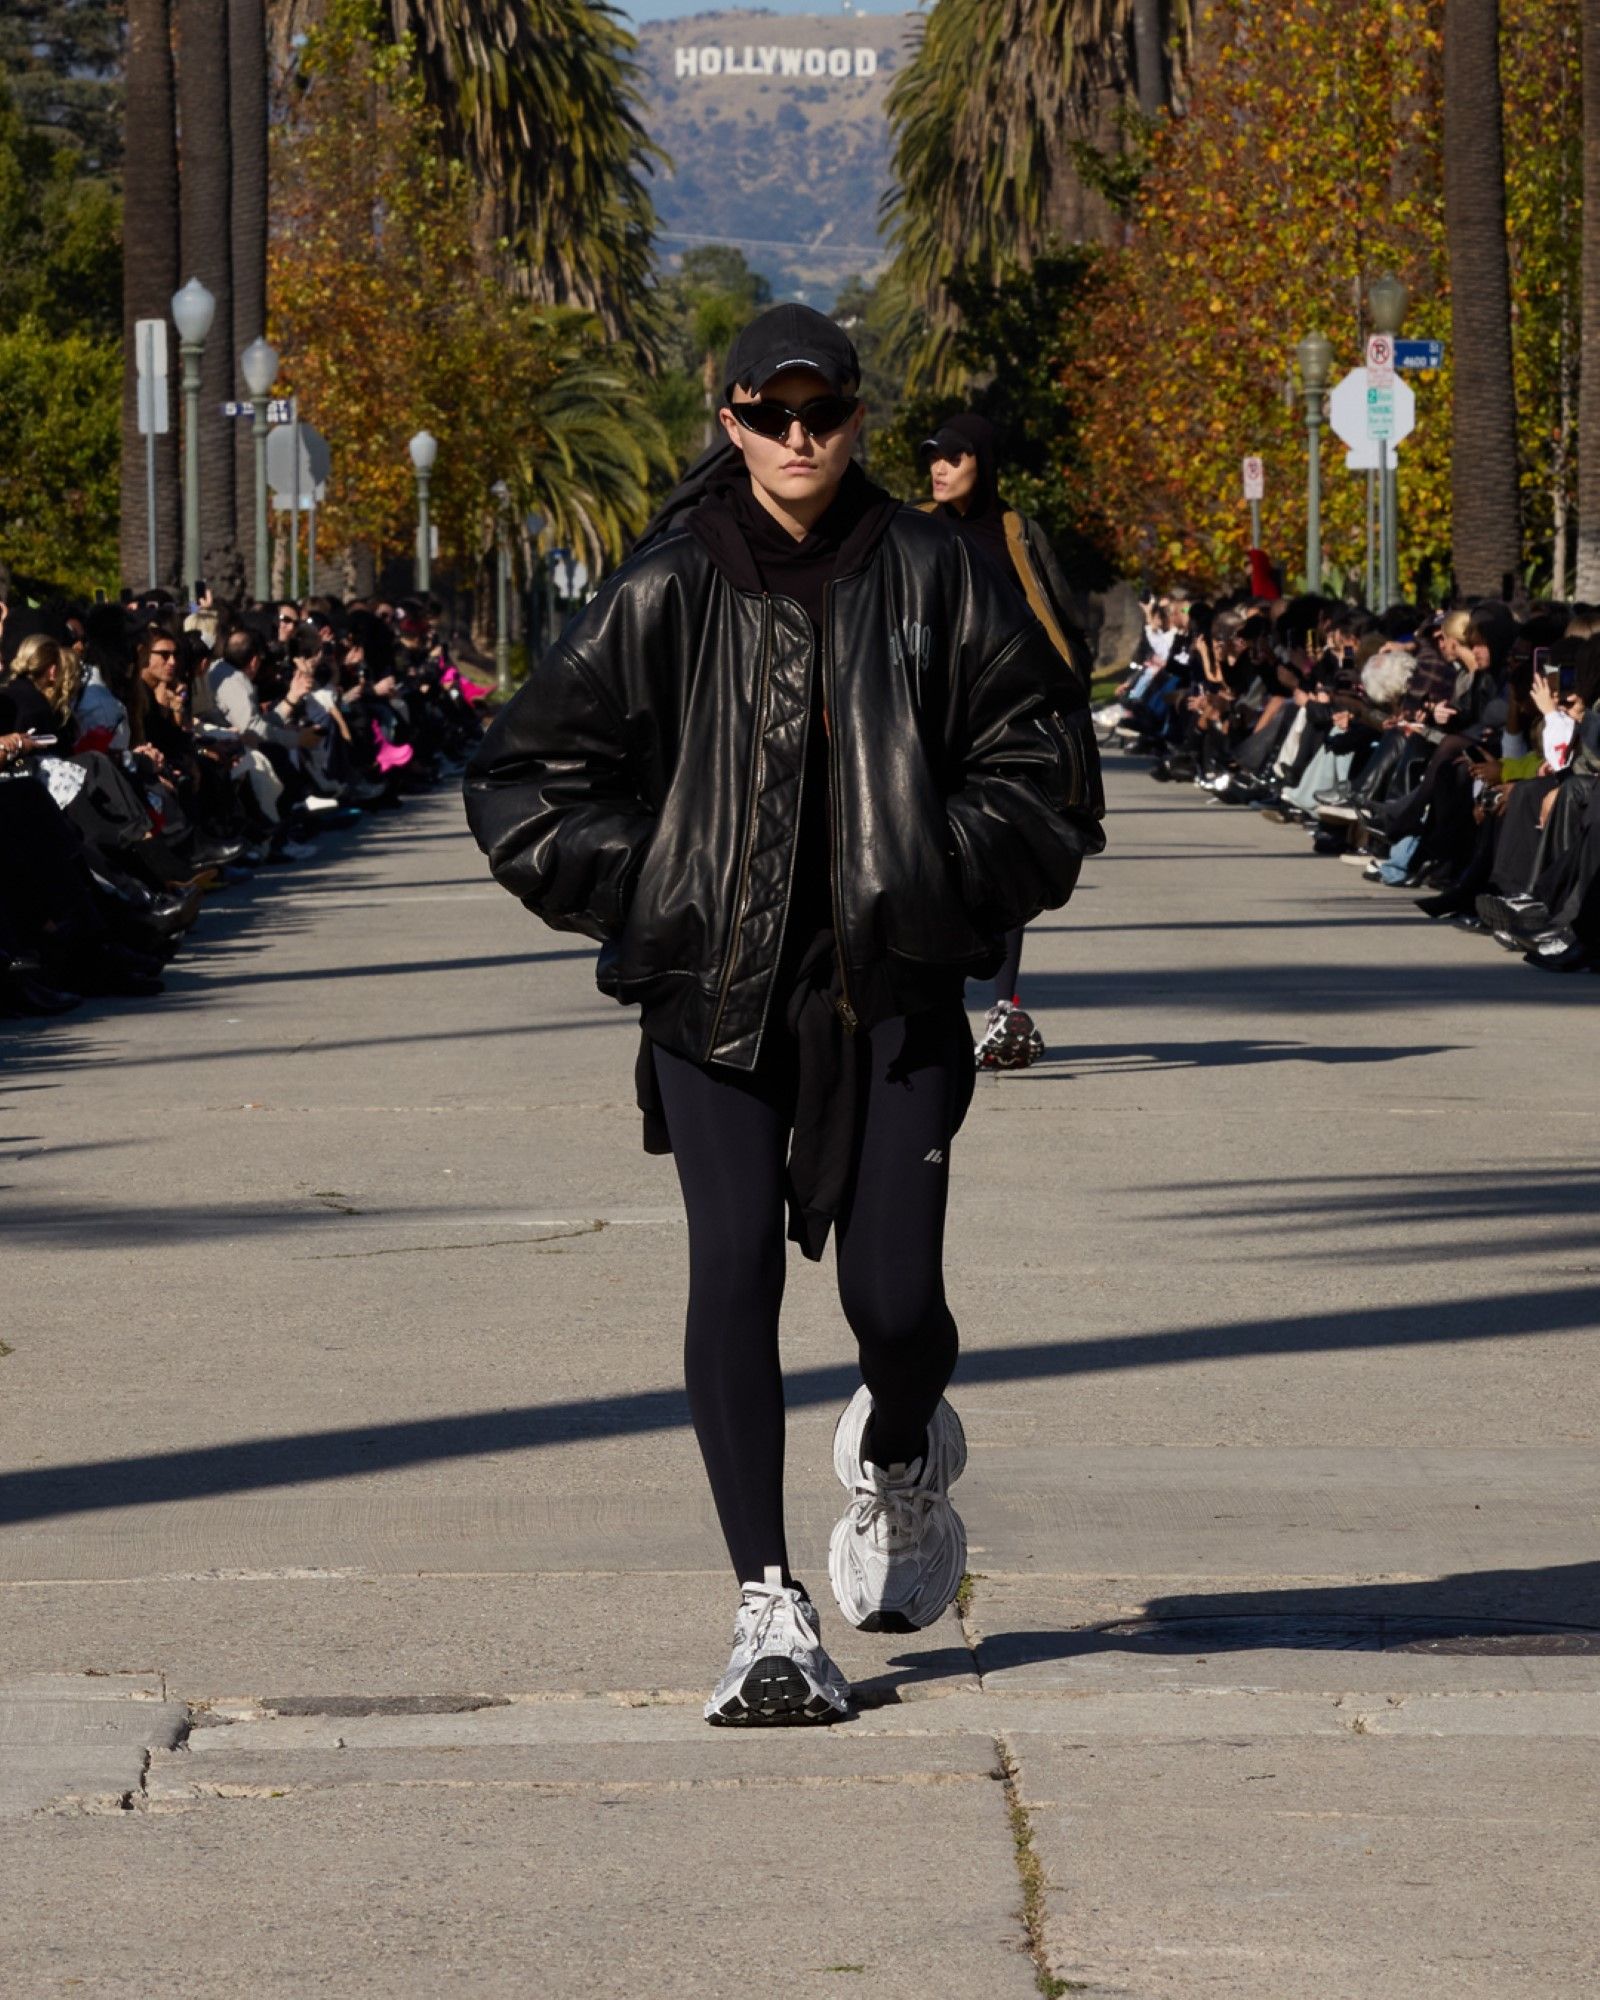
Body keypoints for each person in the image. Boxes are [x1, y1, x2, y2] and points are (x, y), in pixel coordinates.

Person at [466, 304, 1104, 1728]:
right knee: (734, 1264)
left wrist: (936, 876)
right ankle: (766, 1604)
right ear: (732, 422)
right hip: (717, 1001)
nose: (798, 437)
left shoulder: (934, 571)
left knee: (895, 1301)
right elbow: (521, 777)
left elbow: (1046, 760)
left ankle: (901, 1447)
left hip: (895, 989)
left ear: (859, 418)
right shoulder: (668, 585)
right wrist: (661, 893)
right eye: (772, 415)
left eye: (823, 413)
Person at [920, 413, 1091, 1071]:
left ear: (983, 463)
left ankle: (1002, 1010)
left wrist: (1065, 690)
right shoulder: (914, 530)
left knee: (1007, 854)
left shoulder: (1018, 532)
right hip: (933, 720)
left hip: (1008, 720)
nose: (939, 468)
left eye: (953, 457)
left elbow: (1061, 616)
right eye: (933, 456)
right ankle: (933, 1005)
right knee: (933, 860)